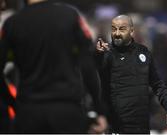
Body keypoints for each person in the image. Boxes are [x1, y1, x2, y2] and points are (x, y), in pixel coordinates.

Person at [0, 0, 107, 133]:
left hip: (29, 111)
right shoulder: (69, 15)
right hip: (66, 109)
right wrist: (98, 109)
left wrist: (12, 103)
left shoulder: (12, 23)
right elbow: (87, 65)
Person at [95, 15, 167, 134]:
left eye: (122, 29)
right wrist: (98, 55)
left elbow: (157, 84)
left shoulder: (144, 52)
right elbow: (97, 77)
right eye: (113, 29)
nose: (117, 33)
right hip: (117, 126)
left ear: (132, 31)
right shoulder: (107, 54)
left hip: (141, 125)